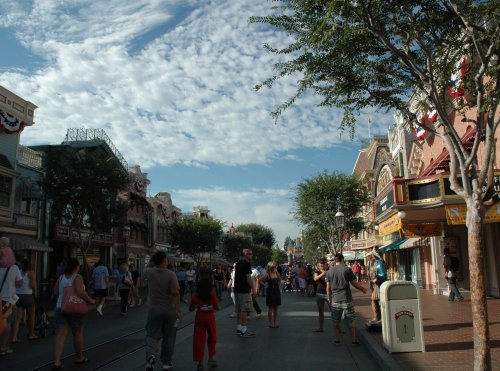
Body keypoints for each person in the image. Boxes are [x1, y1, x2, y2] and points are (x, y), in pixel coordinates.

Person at [53, 258, 95, 369]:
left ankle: (57, 361)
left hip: (61, 307)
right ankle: (79, 357)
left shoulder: (61, 278)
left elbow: (56, 292)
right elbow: (80, 292)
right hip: (75, 308)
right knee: (78, 333)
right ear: (76, 267)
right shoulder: (77, 277)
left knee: (61, 334)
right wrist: (90, 300)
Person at [143, 251, 181, 371]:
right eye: (166, 260)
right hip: (169, 309)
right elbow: (175, 293)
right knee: (169, 336)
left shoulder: (149, 272)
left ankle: (151, 356)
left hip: (154, 309)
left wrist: (153, 261)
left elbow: (148, 265)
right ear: (164, 261)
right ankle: (166, 362)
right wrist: (178, 310)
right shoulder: (171, 275)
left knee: (152, 335)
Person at [325, 253, 367, 344]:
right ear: (342, 259)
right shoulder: (347, 270)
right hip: (346, 298)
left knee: (335, 320)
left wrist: (329, 298)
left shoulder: (329, 272)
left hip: (335, 299)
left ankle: (337, 338)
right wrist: (362, 289)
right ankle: (354, 340)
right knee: (351, 319)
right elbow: (354, 283)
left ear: (335, 260)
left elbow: (328, 288)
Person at [189, 278, 219, 371]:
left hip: (200, 319)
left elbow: (191, 308)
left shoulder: (195, 295)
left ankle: (200, 363)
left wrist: (197, 306)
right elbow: (217, 307)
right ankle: (211, 358)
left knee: (199, 340)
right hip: (210, 318)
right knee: (212, 338)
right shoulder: (212, 294)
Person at [0, 238, 22, 356]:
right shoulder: (14, 268)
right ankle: (3, 346)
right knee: (7, 322)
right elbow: (20, 283)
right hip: (10, 299)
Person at [12, 259, 38, 342]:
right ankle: (31, 334)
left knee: (18, 318)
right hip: (27, 295)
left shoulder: (18, 272)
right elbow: (33, 286)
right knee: (31, 316)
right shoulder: (31, 273)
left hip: (17, 295)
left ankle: (14, 337)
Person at [233, 248, 257, 338]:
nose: (251, 255)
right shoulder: (247, 264)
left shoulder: (238, 263)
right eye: (250, 254)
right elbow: (248, 277)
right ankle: (244, 330)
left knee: (239, 310)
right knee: (244, 310)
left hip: (237, 290)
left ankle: (239, 329)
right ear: (245, 254)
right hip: (244, 290)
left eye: (251, 254)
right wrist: (254, 289)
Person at [258, 261, 282, 328]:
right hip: (270, 292)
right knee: (270, 308)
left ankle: (275, 323)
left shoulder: (277, 273)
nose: (275, 267)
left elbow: (280, 280)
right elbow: (259, 280)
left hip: (276, 292)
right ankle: (271, 323)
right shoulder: (267, 275)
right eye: (274, 266)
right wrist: (265, 284)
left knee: (276, 308)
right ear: (270, 268)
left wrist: (279, 286)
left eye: (275, 266)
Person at [367, 250, 387, 323]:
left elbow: (383, 274)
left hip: (379, 284)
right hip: (376, 285)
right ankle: (378, 317)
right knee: (376, 301)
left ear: (375, 256)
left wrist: (375, 279)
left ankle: (379, 317)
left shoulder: (379, 263)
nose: (370, 257)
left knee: (377, 301)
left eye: (371, 256)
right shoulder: (376, 263)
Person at [313, 258, 329, 333]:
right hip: (319, 293)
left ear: (326, 265)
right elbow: (315, 279)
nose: (322, 266)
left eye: (324, 265)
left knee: (334, 311)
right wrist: (322, 274)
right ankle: (321, 328)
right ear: (319, 265)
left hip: (329, 294)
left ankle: (339, 329)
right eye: (321, 265)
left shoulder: (329, 272)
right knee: (320, 312)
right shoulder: (317, 272)